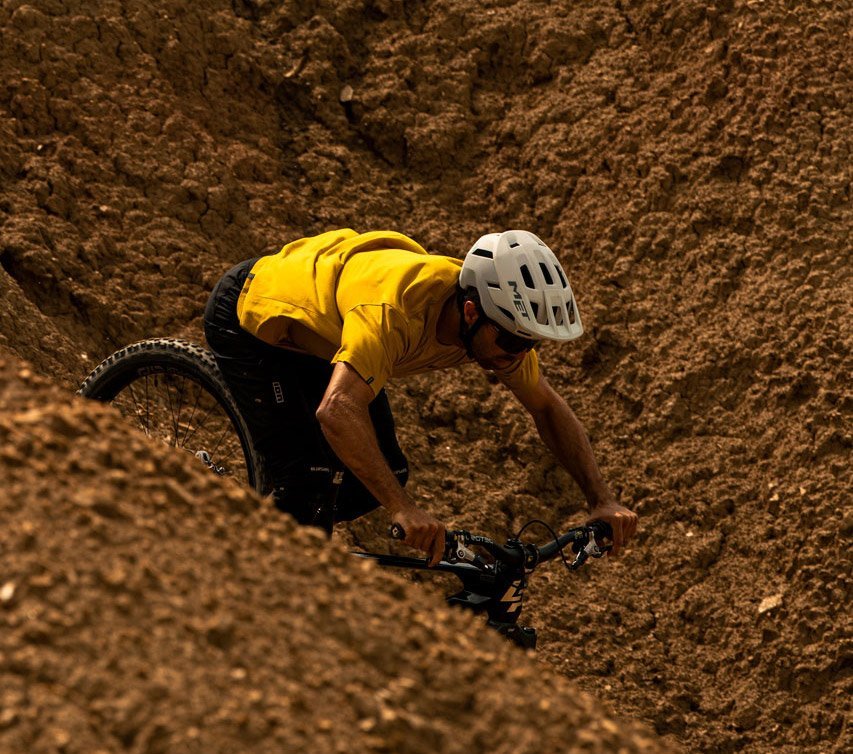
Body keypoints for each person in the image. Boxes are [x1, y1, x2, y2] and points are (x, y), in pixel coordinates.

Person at [203, 228, 638, 565]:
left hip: (328, 335)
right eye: (512, 342)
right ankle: (238, 551)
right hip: (256, 319)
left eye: (531, 345)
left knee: (382, 473)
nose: (519, 356)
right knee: (308, 479)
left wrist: (601, 498)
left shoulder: (497, 329)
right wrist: (404, 510)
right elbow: (338, 410)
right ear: (471, 312)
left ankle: (269, 526)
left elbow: (545, 406)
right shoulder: (394, 313)